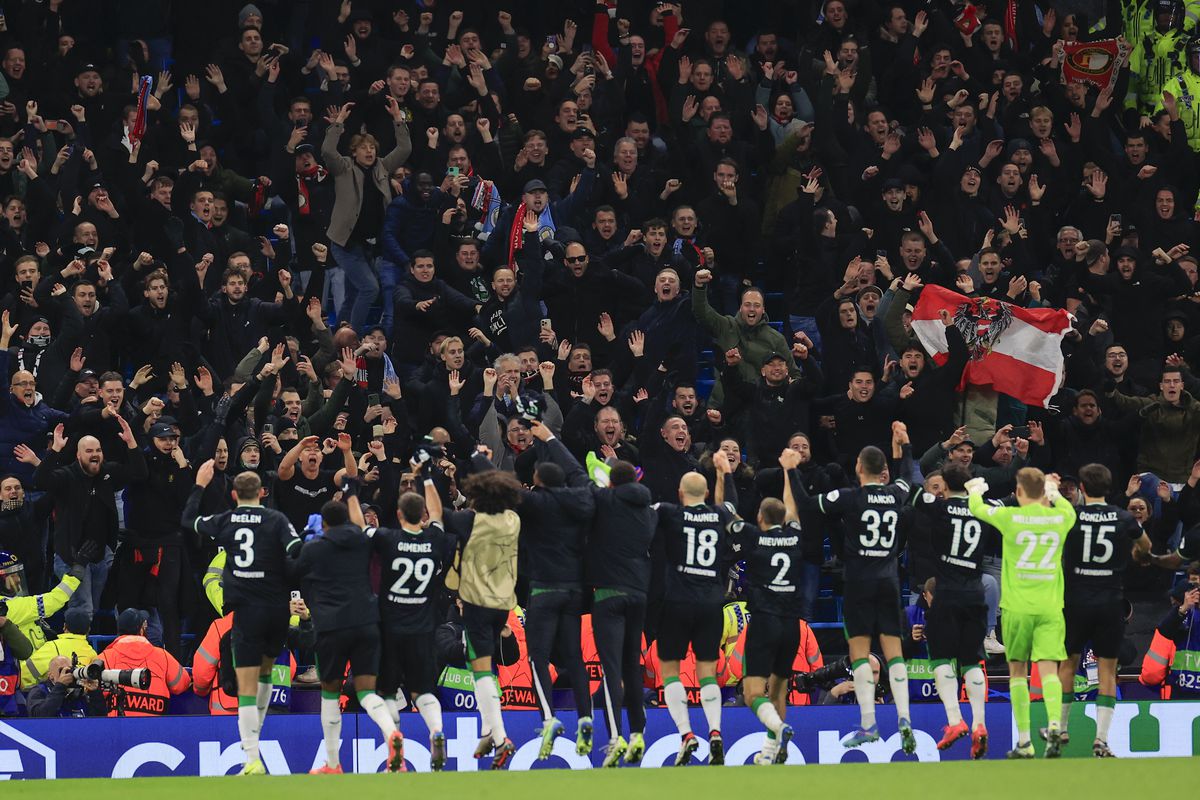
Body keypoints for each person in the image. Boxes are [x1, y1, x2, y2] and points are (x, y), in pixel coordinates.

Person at [799, 422, 917, 752]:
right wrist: (905, 446)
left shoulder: (851, 497)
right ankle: (904, 718)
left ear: (858, 468)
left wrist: (792, 472)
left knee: (860, 653)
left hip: (859, 584)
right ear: (883, 473)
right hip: (889, 582)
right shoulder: (896, 494)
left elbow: (810, 506)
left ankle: (869, 724)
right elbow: (909, 477)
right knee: (894, 654)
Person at [183, 464, 302, 776]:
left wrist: (199, 485)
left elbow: (189, 521)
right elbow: (297, 550)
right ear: (262, 493)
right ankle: (259, 734)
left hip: (246, 612)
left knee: (246, 688)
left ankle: (253, 759)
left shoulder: (227, 520)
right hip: (277, 611)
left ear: (234, 495)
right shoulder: (277, 519)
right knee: (266, 674)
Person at [295, 439, 404, 775]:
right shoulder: (361, 538)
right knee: (368, 691)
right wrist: (351, 486)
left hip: (331, 626)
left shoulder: (314, 548)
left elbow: (291, 573)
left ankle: (332, 763)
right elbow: (360, 522)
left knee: (329, 694)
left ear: (323, 524)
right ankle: (391, 734)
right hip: (367, 623)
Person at [967, 467, 1077, 759]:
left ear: (1017, 493)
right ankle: (1055, 726)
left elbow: (977, 509)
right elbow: (1069, 509)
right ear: (1043, 492)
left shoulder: (1010, 517)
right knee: (1050, 670)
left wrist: (976, 488)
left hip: (1016, 609)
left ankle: (1025, 742)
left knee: (1018, 672)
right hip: (1050, 608)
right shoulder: (1060, 518)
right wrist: (1054, 492)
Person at [1049, 463, 1150, 758]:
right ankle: (1101, 740)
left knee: (1067, 664)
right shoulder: (1123, 517)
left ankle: (1062, 728)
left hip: (1076, 600)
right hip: (1110, 603)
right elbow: (1145, 546)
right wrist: (1134, 554)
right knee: (1107, 671)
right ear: (1108, 488)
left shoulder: (1072, 515)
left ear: (1081, 488)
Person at [368, 455, 456, 770]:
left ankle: (394, 739)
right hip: (424, 629)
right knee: (423, 690)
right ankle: (436, 731)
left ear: (397, 514)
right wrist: (428, 478)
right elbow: (438, 515)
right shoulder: (435, 538)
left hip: (391, 630)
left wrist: (353, 488)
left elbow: (356, 526)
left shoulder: (388, 539)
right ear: (423, 516)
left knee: (388, 691)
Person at [652, 452, 739, 766]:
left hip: (677, 601)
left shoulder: (669, 512)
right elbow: (730, 503)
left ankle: (687, 734)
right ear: (705, 494)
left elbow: (640, 513)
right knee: (706, 672)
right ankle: (715, 731)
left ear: (680, 494)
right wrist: (724, 472)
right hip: (711, 604)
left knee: (670, 670)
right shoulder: (719, 516)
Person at [912, 463, 996, 758]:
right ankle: (980, 724)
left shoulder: (940, 507)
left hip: (946, 593)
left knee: (941, 658)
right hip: (976, 594)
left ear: (944, 487)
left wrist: (904, 451)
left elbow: (909, 491)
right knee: (971, 661)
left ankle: (954, 720)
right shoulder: (984, 509)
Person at [447, 463, 524, 769]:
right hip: (503, 603)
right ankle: (487, 730)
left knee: (479, 669)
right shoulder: (513, 520)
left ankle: (501, 736)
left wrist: (427, 476)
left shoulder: (469, 521)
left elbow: (439, 512)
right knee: (482, 663)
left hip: (477, 601)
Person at [733, 447, 806, 765]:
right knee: (779, 690)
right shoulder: (795, 537)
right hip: (792, 625)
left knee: (752, 693)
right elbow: (793, 507)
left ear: (760, 519)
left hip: (764, 621)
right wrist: (789, 472)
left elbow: (728, 514)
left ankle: (778, 728)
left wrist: (724, 474)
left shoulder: (752, 537)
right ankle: (771, 751)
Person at [583, 457, 655, 768]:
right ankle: (638, 733)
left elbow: (581, 483)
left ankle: (616, 738)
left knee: (612, 670)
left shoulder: (605, 502)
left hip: (608, 595)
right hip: (639, 596)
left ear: (611, 483)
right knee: (631, 669)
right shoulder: (648, 511)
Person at [91, 608, 192, 716]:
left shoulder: (104, 658)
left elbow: (93, 690)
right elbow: (182, 684)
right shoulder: (162, 656)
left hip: (118, 729)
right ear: (141, 630)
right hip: (156, 728)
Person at [25, 654, 107, 717]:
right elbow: (40, 717)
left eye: (69, 670)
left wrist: (95, 693)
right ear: (50, 675)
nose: (67, 674)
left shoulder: (79, 692)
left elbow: (99, 717)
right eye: (62, 670)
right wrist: (60, 686)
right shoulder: (39, 691)